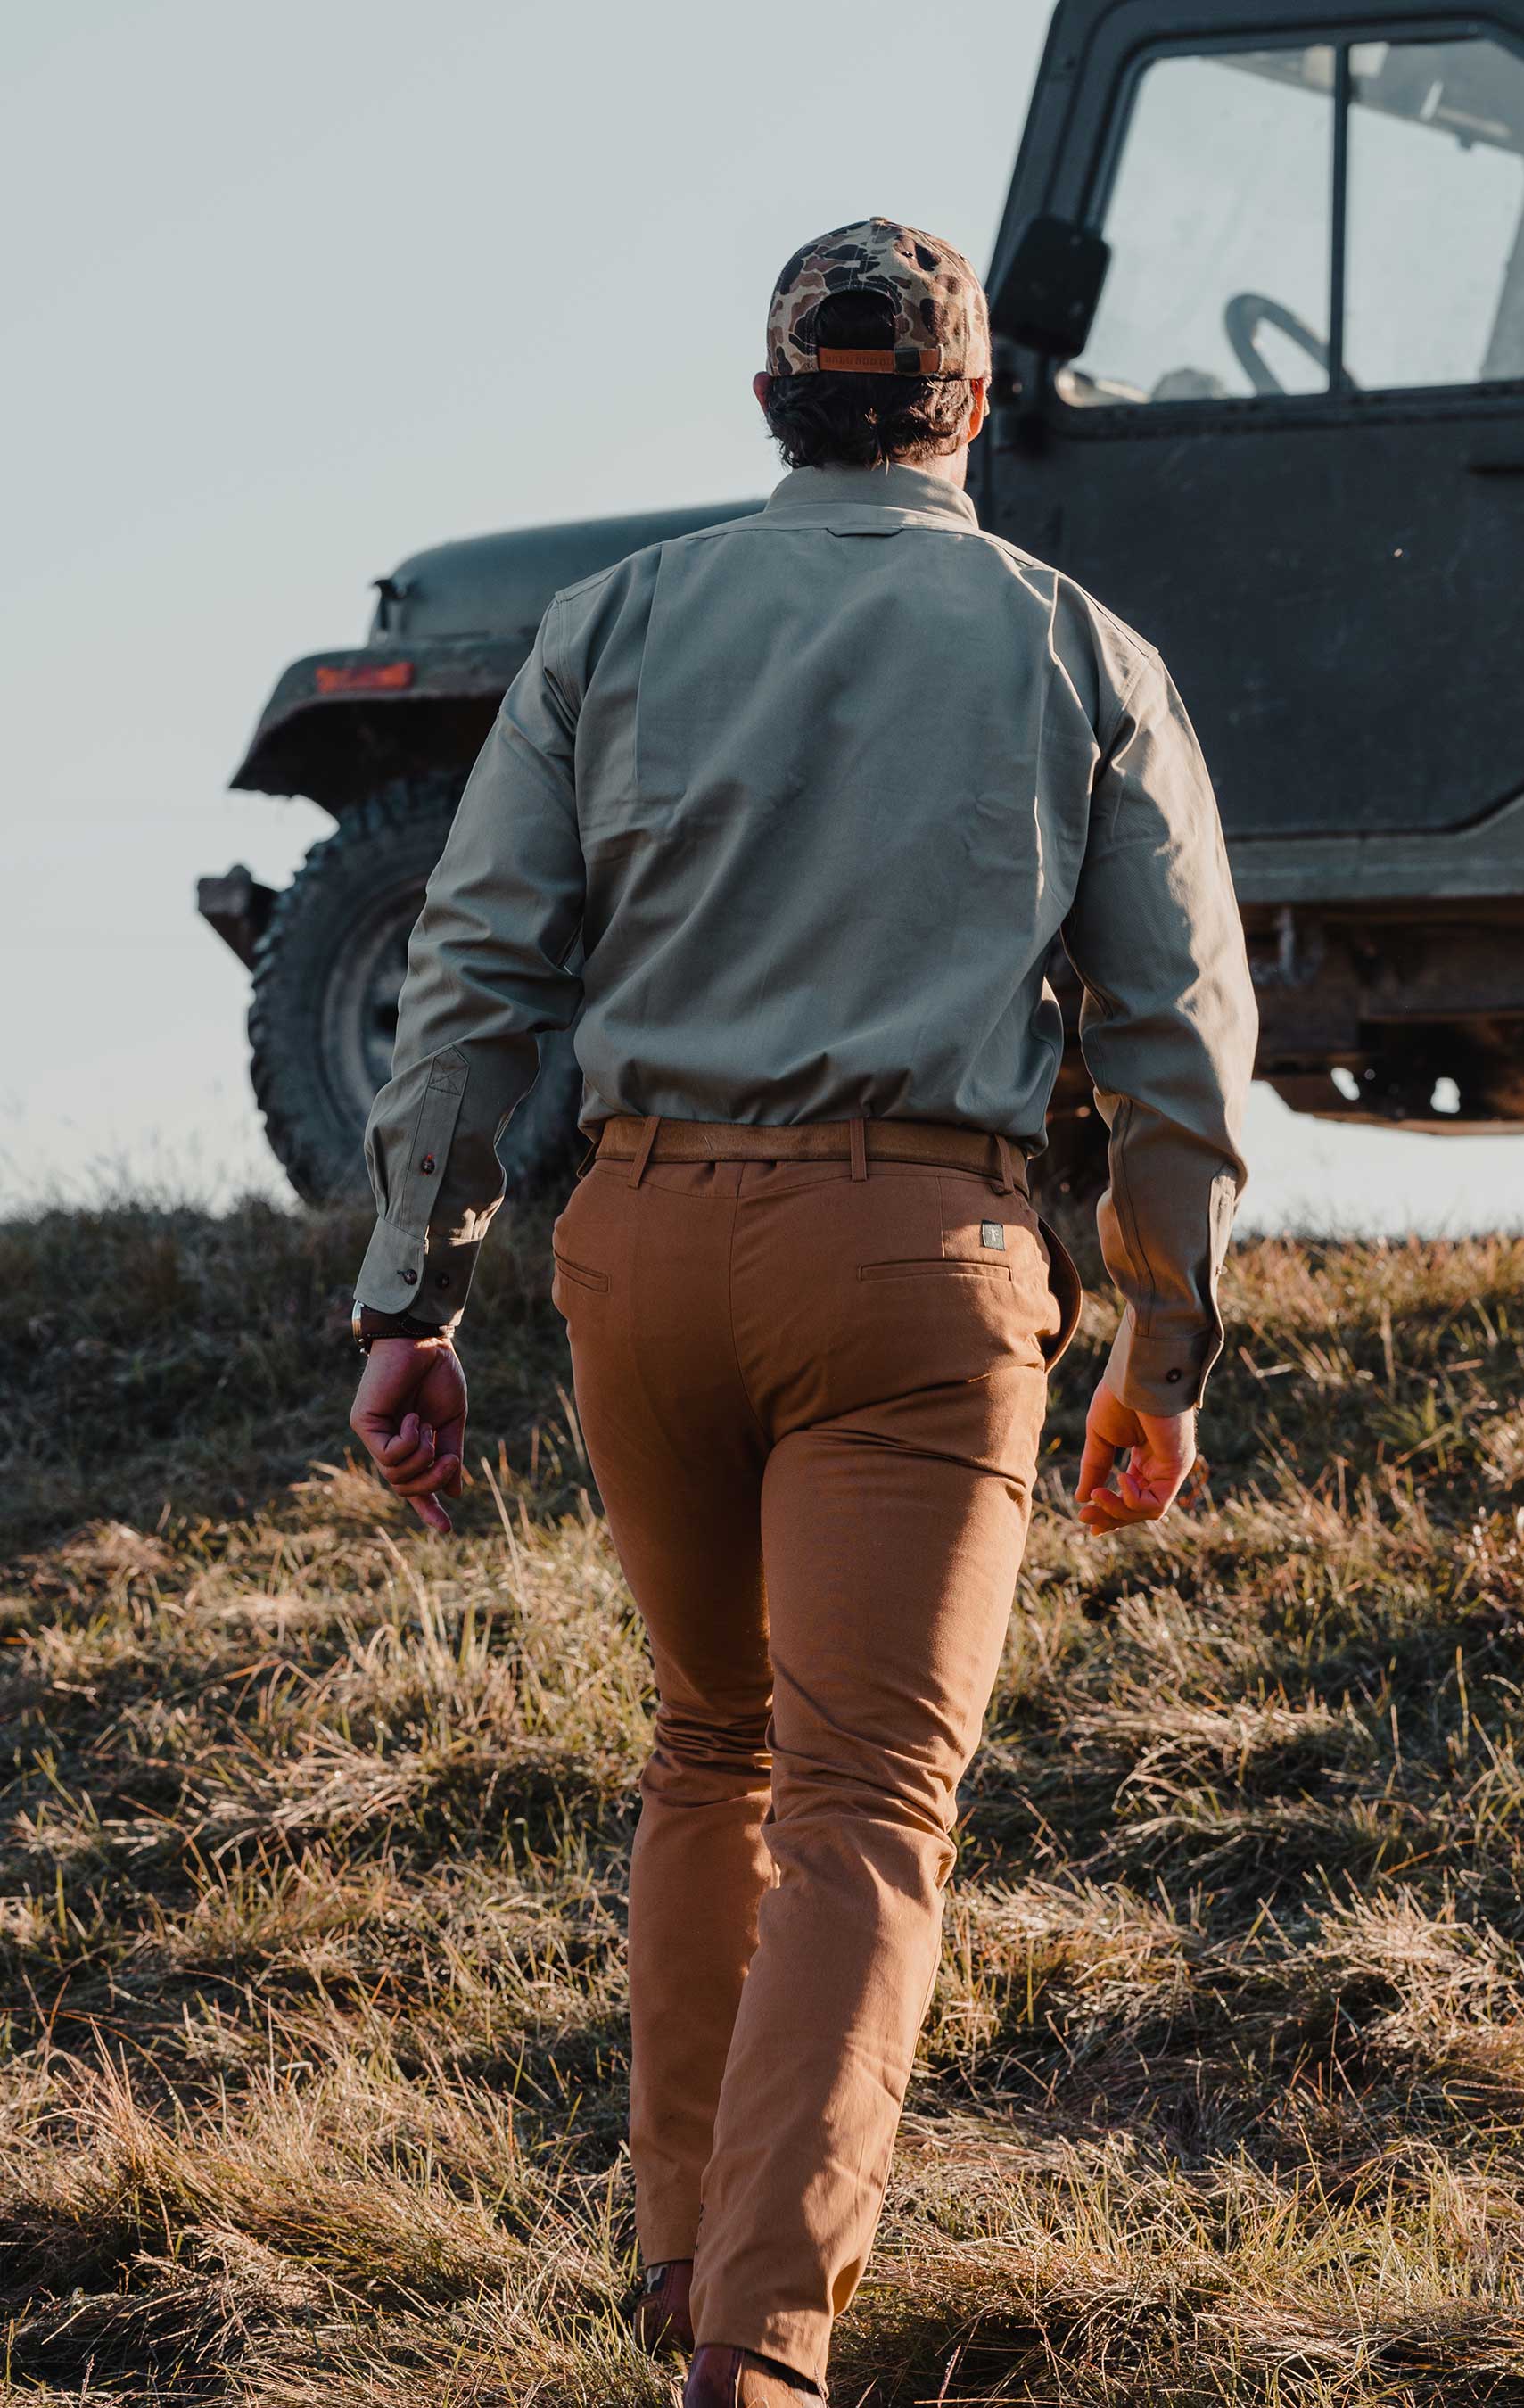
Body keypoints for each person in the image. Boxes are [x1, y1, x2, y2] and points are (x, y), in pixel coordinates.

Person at [348, 219, 1257, 2408]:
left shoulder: (611, 624)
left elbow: (475, 978)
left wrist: (413, 1296)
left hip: (640, 1256)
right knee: (865, 1804)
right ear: (965, 407)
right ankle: (756, 2351)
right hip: (914, 1269)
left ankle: (686, 2260)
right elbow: (1177, 1039)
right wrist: (1165, 1337)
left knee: (711, 1747)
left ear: (773, 402)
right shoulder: (1080, 648)